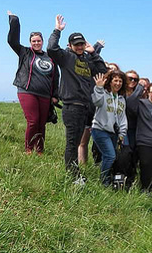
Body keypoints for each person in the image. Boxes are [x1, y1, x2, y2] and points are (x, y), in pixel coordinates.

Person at [47, 15, 107, 183]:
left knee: (79, 141)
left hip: (85, 107)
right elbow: (51, 49)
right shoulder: (66, 58)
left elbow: (102, 71)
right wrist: (57, 30)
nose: (80, 47)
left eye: (82, 44)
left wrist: (93, 52)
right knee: (72, 143)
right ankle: (73, 176)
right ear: (70, 46)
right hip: (71, 106)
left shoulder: (87, 60)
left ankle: (75, 172)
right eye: (76, 44)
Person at [7, 11, 59, 155]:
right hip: (27, 91)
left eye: (38, 40)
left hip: (45, 95)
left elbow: (56, 77)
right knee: (33, 121)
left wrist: (55, 95)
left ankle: (40, 150)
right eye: (33, 41)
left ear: (42, 41)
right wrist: (14, 21)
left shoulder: (50, 57)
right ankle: (28, 149)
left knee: (42, 123)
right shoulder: (25, 52)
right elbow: (12, 41)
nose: (36, 43)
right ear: (30, 43)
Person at [91, 71, 128, 186]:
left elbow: (122, 118)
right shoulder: (103, 93)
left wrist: (122, 133)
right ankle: (104, 182)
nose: (118, 83)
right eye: (115, 80)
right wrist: (99, 87)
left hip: (114, 133)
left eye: (120, 81)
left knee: (109, 156)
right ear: (110, 81)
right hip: (100, 129)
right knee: (110, 155)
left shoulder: (121, 99)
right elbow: (96, 102)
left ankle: (107, 177)